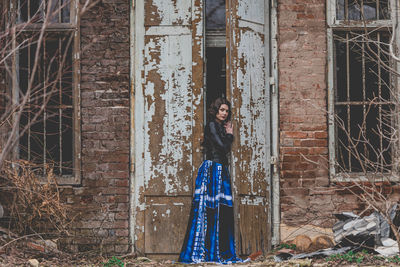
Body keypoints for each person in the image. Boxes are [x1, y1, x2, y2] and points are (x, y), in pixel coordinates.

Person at [179, 97, 242, 264]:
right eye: (222, 110)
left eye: (227, 111)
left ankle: (220, 250)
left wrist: (227, 133)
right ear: (215, 110)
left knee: (223, 209)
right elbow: (222, 147)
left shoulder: (219, 127)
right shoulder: (212, 126)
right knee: (209, 210)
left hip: (221, 170)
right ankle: (205, 251)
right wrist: (229, 135)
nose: (224, 113)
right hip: (212, 170)